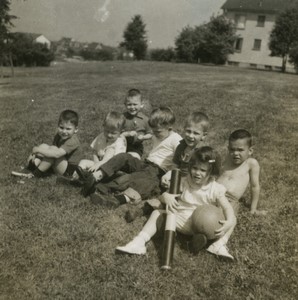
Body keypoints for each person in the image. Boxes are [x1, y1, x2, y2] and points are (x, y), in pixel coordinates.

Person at [116, 146, 237, 259]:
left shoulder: (215, 188)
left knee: (223, 223)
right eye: (194, 168)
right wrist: (166, 196)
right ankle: (139, 242)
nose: (197, 173)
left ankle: (206, 244)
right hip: (176, 219)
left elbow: (227, 207)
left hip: (199, 225)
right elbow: (164, 196)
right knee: (156, 213)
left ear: (211, 172)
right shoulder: (184, 182)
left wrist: (229, 221)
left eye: (202, 170)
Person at [82, 106, 182, 206]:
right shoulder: (158, 135)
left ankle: (103, 189)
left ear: (170, 128)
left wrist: (169, 174)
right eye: (153, 131)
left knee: (133, 179)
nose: (154, 134)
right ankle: (97, 175)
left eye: (158, 131)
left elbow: (180, 164)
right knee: (123, 156)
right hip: (145, 163)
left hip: (158, 171)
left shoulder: (176, 140)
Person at [11, 110, 81, 178]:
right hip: (60, 163)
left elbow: (57, 154)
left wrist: (38, 150)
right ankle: (31, 167)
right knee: (44, 146)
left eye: (68, 129)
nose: (64, 131)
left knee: (52, 151)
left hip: (69, 170)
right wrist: (39, 150)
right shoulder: (59, 135)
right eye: (61, 127)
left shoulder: (73, 140)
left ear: (76, 129)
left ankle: (36, 174)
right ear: (58, 126)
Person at [217, 129, 267, 216]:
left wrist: (253, 209)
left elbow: (255, 187)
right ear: (228, 149)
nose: (235, 153)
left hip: (230, 199)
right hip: (213, 192)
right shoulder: (229, 158)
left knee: (220, 216)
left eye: (240, 150)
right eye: (232, 149)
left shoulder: (251, 163)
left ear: (250, 151)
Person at [161, 111, 209, 188]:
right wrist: (169, 175)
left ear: (204, 135)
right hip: (180, 181)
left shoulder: (203, 152)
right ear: (184, 129)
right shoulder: (181, 147)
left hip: (195, 184)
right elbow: (175, 166)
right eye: (188, 131)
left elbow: (205, 175)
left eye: (196, 133)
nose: (190, 136)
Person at [77, 111, 126, 176]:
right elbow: (94, 152)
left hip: (111, 167)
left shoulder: (120, 142)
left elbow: (114, 161)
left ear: (121, 132)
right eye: (106, 131)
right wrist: (96, 162)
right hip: (98, 162)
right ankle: (76, 177)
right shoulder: (101, 136)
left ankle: (92, 177)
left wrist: (99, 164)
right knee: (83, 162)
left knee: (110, 150)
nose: (109, 135)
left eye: (113, 133)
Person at [121, 89, 152, 159]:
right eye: (129, 104)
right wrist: (127, 134)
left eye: (135, 104)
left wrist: (143, 137)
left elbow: (150, 133)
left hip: (136, 147)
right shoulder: (122, 118)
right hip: (121, 144)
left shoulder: (145, 119)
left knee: (133, 159)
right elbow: (116, 131)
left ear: (141, 105)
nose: (132, 107)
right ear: (125, 105)